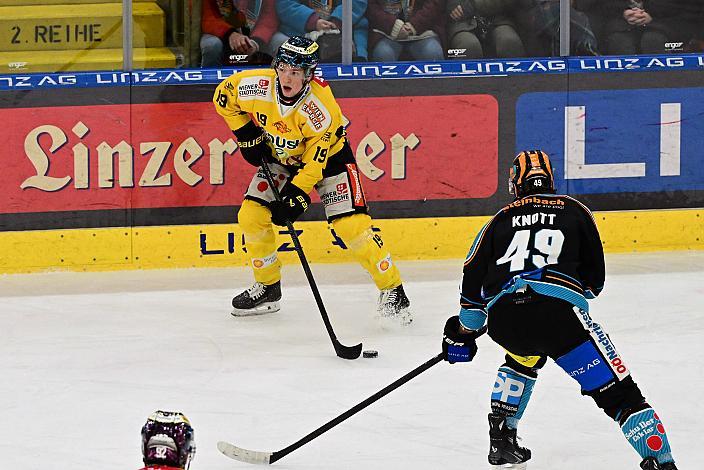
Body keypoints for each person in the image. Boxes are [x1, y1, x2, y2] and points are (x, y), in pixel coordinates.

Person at [441, 150, 678, 470]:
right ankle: (662, 462)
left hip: (506, 321)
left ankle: (502, 439)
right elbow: (594, 283)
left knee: (522, 356)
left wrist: (465, 332)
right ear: (550, 181)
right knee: (622, 398)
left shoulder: (497, 221)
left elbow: (472, 283)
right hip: (560, 319)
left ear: (515, 184)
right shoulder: (575, 210)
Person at [212, 36, 412, 325]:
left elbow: (314, 165)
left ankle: (393, 289)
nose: (287, 78)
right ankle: (268, 287)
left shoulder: (321, 110)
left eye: (296, 72)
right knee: (251, 215)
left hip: (330, 160)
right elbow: (223, 96)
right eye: (283, 69)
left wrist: (295, 197)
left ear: (308, 75)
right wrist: (245, 134)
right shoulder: (255, 85)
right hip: (281, 156)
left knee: (351, 226)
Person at [274, 0, 369, 61]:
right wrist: (313, 21)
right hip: (301, 30)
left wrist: (337, 20)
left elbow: (357, 3)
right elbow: (285, 4)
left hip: (344, 29)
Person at [200, 0, 280, 67]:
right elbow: (209, 17)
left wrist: (256, 41)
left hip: (257, 34)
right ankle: (207, 83)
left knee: (281, 43)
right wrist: (230, 34)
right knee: (211, 45)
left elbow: (269, 16)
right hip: (220, 32)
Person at [367, 0, 446, 61]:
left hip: (423, 31)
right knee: (383, 54)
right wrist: (393, 26)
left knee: (432, 53)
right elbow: (371, 7)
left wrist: (414, 25)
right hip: (386, 32)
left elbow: (435, 5)